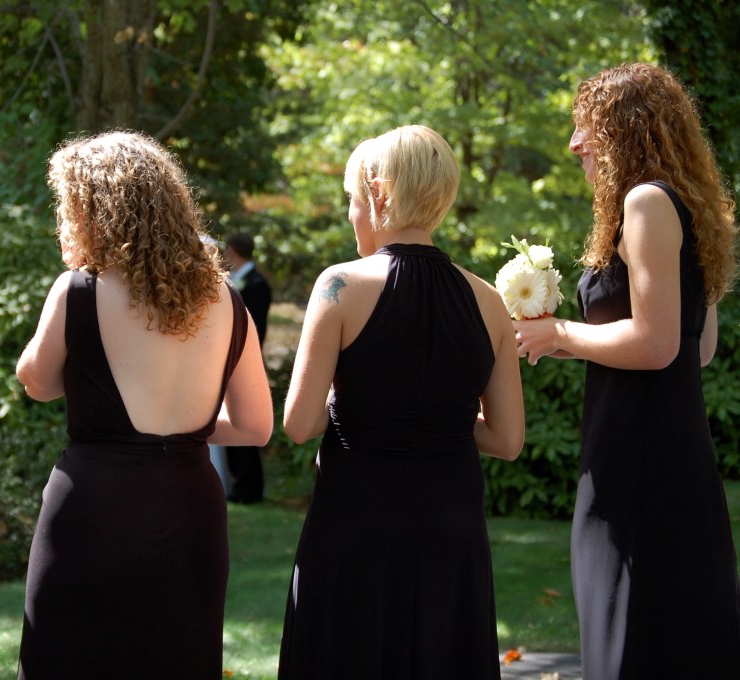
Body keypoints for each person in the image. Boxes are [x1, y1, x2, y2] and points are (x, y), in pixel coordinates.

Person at [15, 130, 273, 679]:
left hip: (93, 508)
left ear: (92, 211)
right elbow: (255, 426)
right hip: (190, 510)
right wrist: (183, 425)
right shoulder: (228, 301)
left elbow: (36, 381)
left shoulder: (78, 289)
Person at [514, 63, 740, 678]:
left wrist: (562, 331)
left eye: (587, 127)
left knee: (630, 637)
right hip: (672, 452)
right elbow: (695, 348)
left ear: (628, 128)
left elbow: (658, 344)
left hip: (637, 457)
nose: (575, 144)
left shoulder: (645, 202)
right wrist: (560, 342)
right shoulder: (684, 206)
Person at [277, 126, 524, 679]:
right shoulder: (489, 301)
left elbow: (299, 423)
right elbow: (507, 440)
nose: (351, 215)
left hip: (357, 521)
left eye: (351, 199)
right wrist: (440, 419)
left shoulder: (340, 286)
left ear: (377, 191)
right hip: (451, 525)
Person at [223, 231, 272, 503]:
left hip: (245, 359)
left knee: (245, 423)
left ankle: (249, 488)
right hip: (228, 359)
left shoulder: (257, 284)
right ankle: (239, 484)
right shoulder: (234, 281)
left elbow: (256, 328)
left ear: (232, 250)